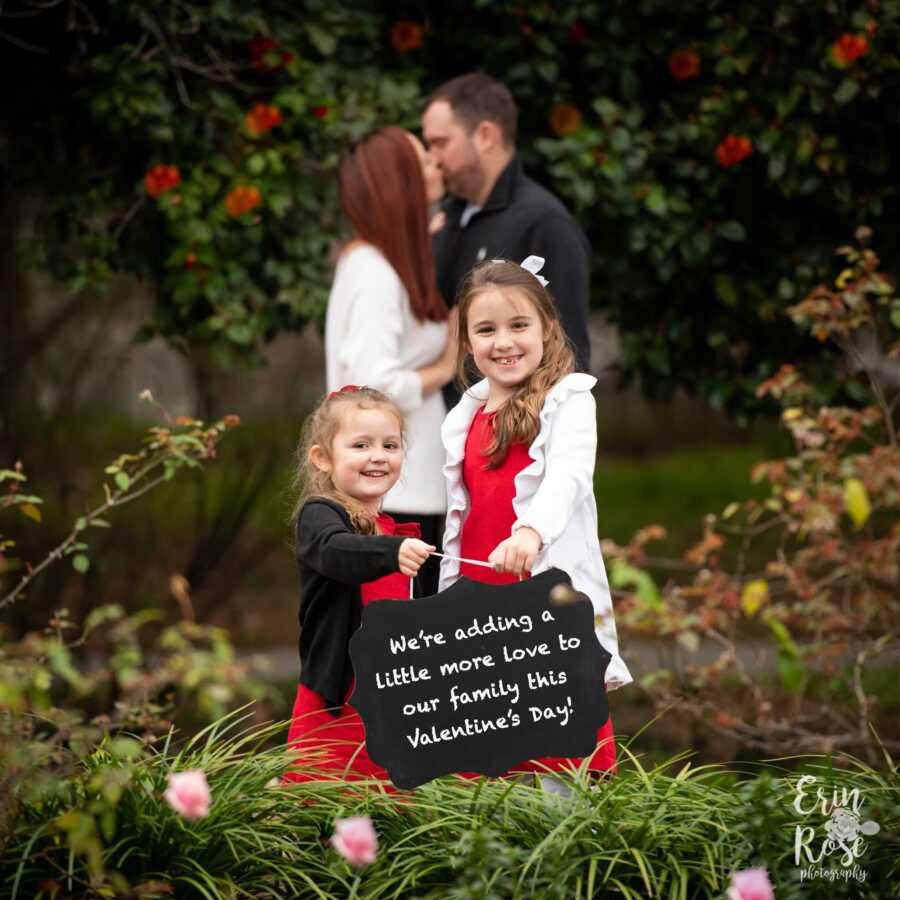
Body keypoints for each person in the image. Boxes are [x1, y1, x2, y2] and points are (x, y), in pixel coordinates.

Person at [439, 258, 631, 777]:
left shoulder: (569, 401)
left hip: (541, 586)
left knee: (554, 726)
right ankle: (493, 841)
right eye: (486, 330)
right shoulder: (465, 416)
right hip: (481, 587)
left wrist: (530, 531)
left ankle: (562, 839)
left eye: (518, 325)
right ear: (466, 342)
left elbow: (568, 477)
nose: (503, 341)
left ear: (547, 327)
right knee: (488, 725)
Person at [325, 126, 455, 596]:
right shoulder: (373, 272)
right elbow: (367, 386)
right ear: (399, 181)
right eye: (421, 160)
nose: (435, 165)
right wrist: (442, 367)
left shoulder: (385, 264)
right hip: (398, 499)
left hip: (411, 489)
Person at [284, 385, 435, 783]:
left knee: (389, 807)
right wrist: (390, 552)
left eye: (390, 445)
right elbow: (337, 552)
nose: (378, 456)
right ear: (322, 458)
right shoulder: (321, 515)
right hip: (340, 698)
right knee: (323, 804)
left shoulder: (390, 527)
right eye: (361, 445)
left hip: (387, 699)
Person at [422, 72, 592, 393]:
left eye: (440, 143)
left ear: (485, 136)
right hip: (446, 431)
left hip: (510, 434)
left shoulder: (544, 223)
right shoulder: (448, 216)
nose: (432, 157)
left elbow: (569, 356)